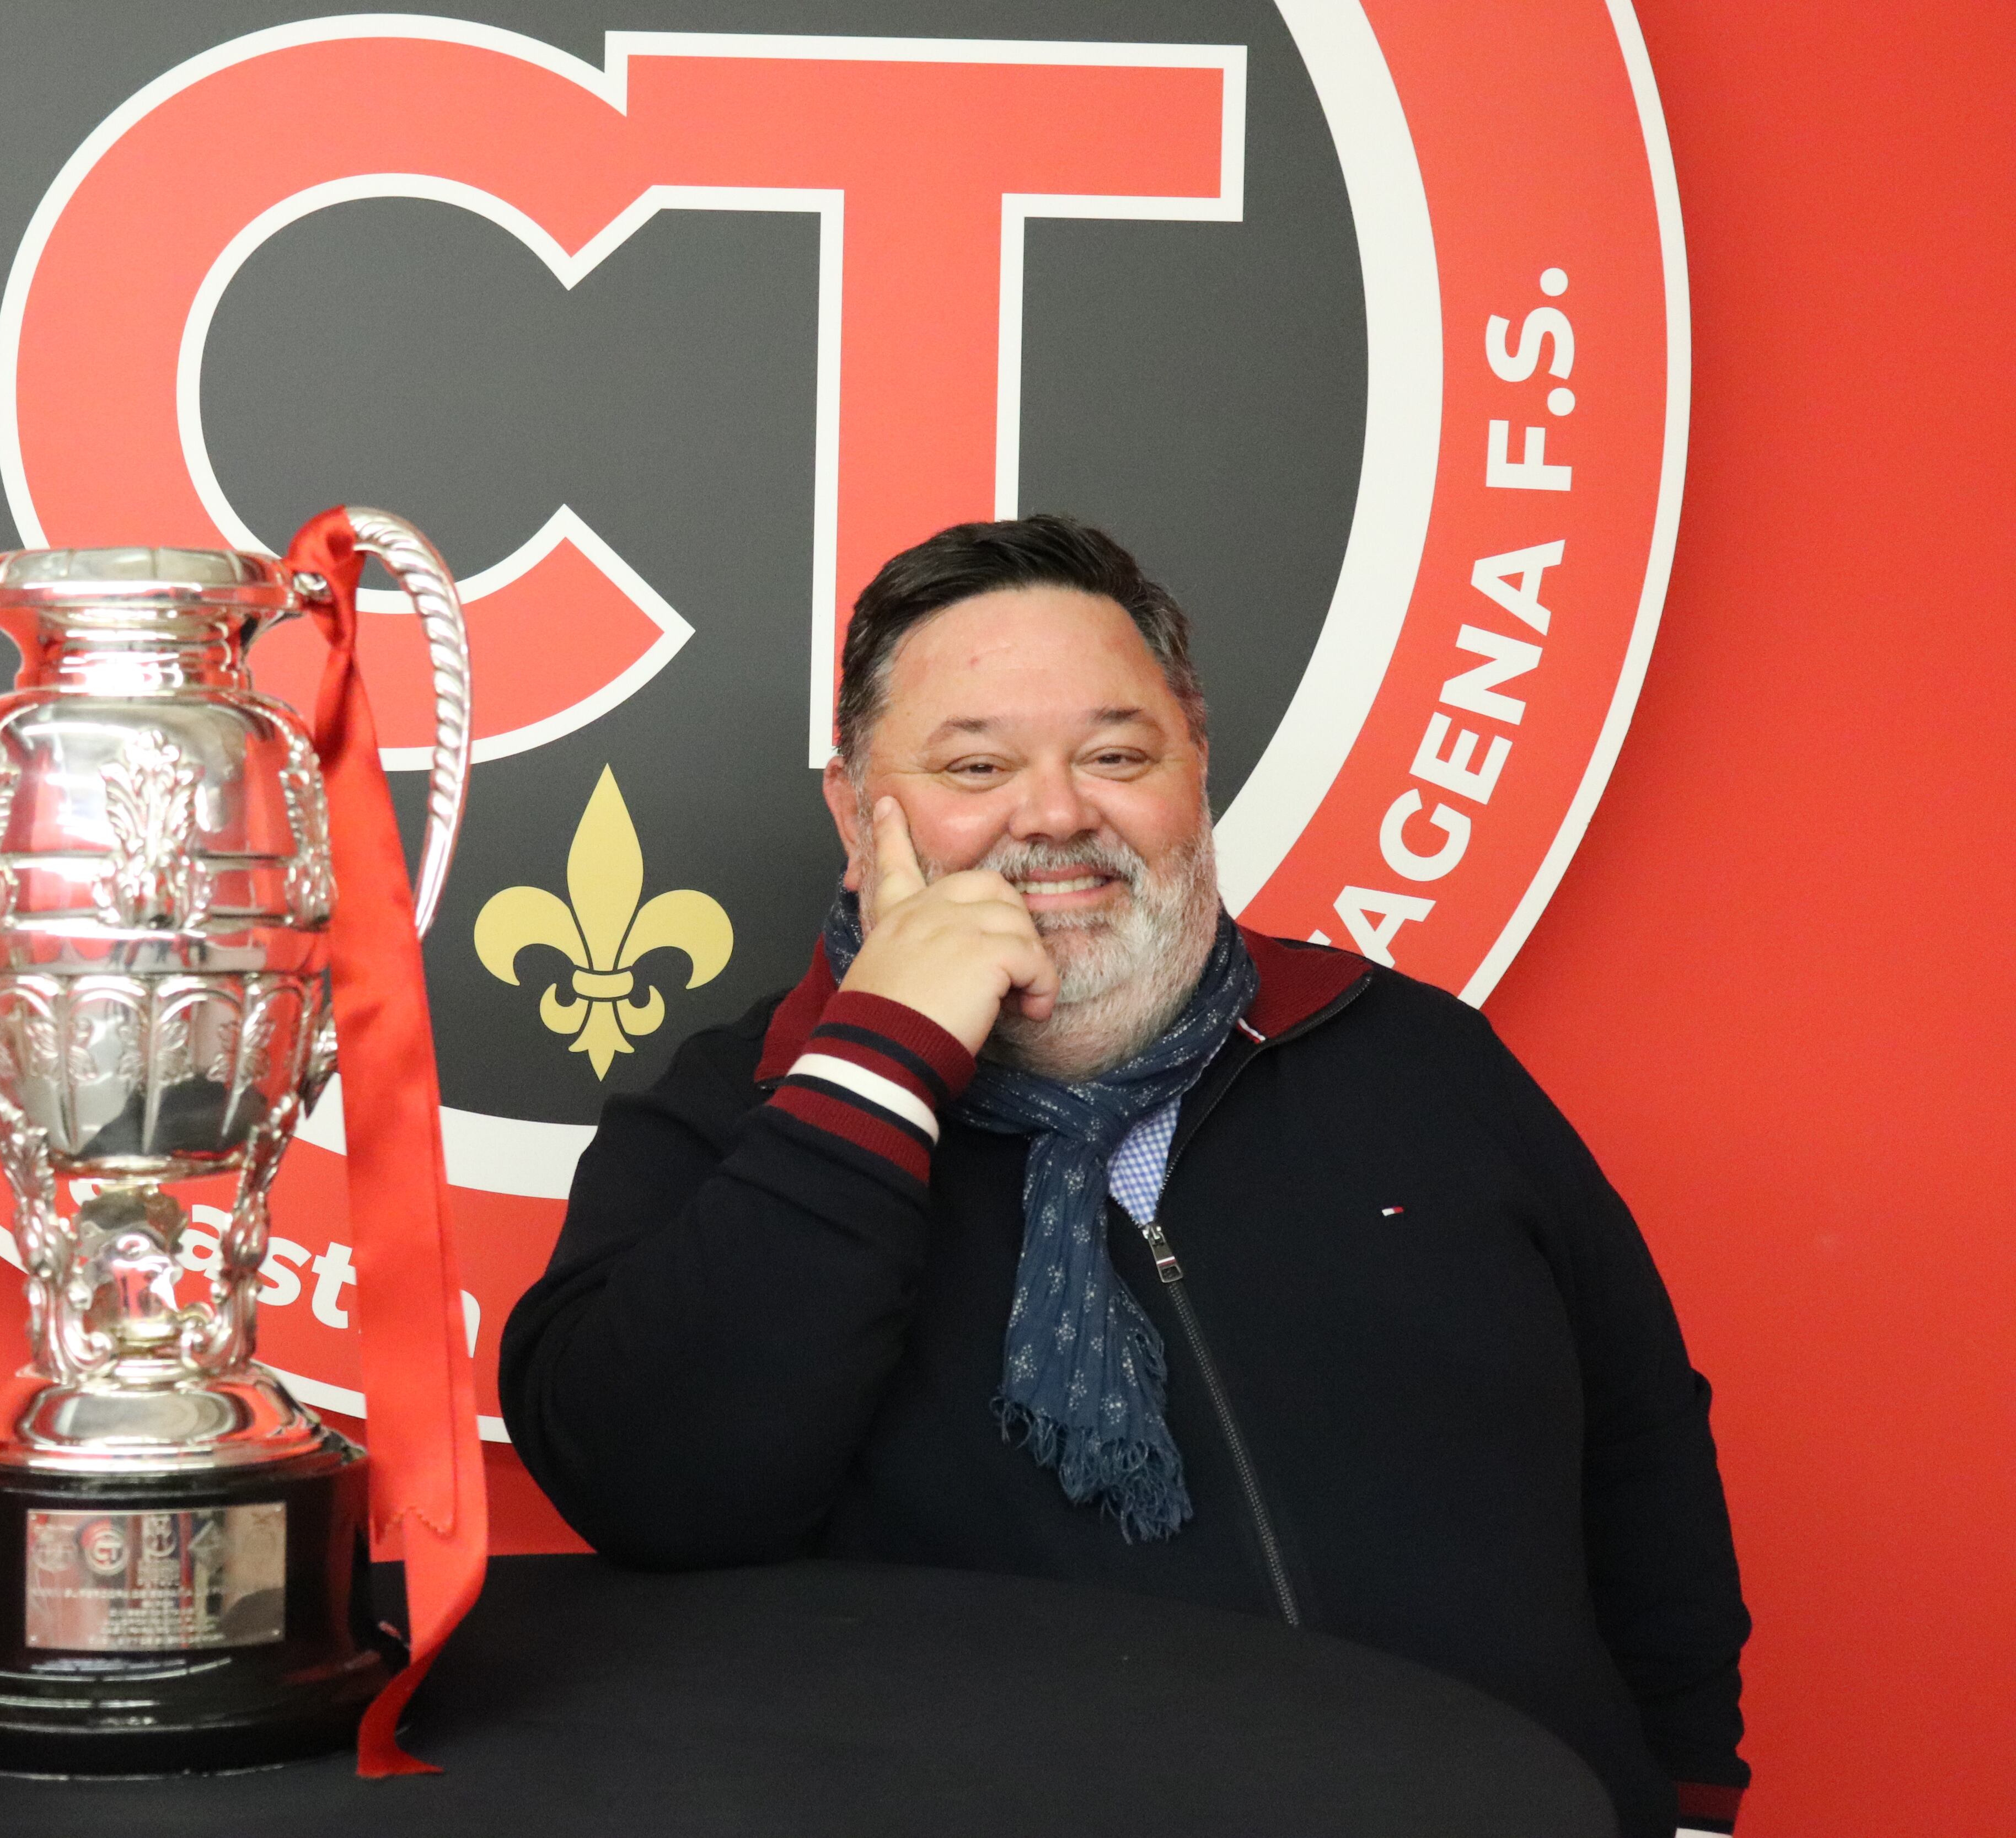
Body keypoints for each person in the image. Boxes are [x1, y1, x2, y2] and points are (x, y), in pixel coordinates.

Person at [499, 516, 1751, 1838]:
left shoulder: (1412, 1057)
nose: (1054, 813)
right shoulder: (733, 1109)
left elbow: (1643, 1447)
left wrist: (1684, 1803)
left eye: (1116, 754)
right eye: (975, 762)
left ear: (1194, 771)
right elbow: (654, 1489)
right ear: (853, 805)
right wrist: (879, 1058)